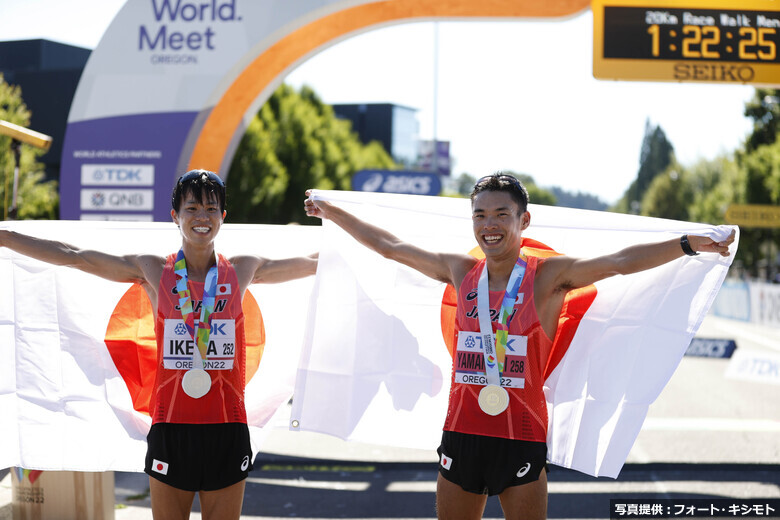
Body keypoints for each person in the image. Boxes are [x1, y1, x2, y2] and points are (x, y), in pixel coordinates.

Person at [304, 173, 734, 520]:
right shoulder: (460, 270)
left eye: (501, 214)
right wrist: (333, 212)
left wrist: (686, 245)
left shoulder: (547, 277)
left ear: (522, 221)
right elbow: (391, 247)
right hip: (462, 434)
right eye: (480, 215)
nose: (489, 224)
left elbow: (620, 263)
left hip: (521, 437)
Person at [0, 169, 318, 520]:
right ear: (175, 216)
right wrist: (5, 236)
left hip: (227, 428)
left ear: (223, 217)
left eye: (211, 209)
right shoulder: (154, 270)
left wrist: (341, 219)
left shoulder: (242, 269)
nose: (202, 217)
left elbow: (316, 264)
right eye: (192, 208)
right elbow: (75, 254)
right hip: (171, 427)